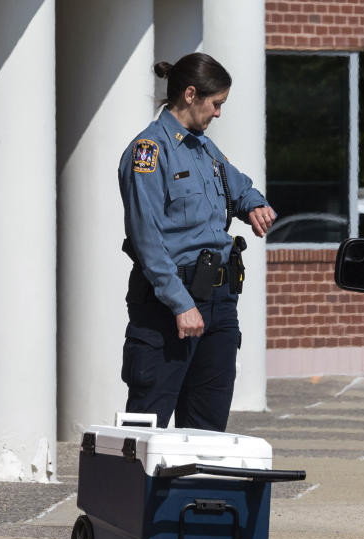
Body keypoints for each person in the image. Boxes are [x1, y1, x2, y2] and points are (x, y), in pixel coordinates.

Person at [118, 52, 275, 430]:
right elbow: (147, 239)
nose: (219, 113)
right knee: (147, 427)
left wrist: (254, 204)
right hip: (170, 306)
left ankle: (197, 492)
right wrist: (180, 303)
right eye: (216, 103)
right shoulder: (149, 152)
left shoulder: (203, 148)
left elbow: (236, 184)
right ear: (190, 94)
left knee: (207, 431)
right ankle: (138, 493)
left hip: (219, 302)